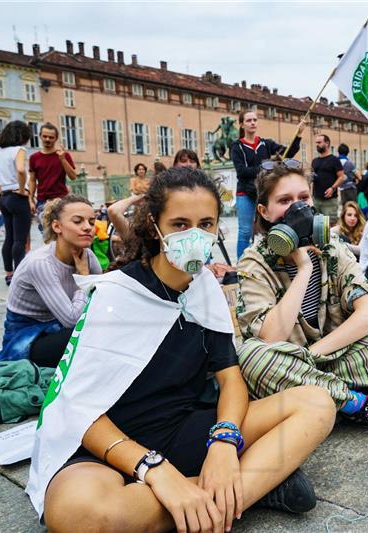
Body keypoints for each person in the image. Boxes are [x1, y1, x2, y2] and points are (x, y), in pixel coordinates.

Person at [30, 167, 336, 532]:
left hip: (183, 430)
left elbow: (231, 379)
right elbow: (78, 406)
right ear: (154, 226)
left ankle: (211, 497)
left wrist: (224, 440)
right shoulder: (116, 294)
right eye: (179, 224)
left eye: (206, 223)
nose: (195, 234)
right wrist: (153, 469)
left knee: (317, 403)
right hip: (107, 445)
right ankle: (251, 490)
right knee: (79, 517)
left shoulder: (205, 287)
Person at [236, 161, 368, 434]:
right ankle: (357, 403)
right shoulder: (253, 262)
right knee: (254, 358)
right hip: (286, 359)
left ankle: (323, 399)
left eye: (303, 198)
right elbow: (271, 337)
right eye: (285, 200)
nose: (297, 208)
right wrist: (304, 268)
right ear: (264, 211)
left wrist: (312, 358)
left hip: (313, 361)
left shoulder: (331, 246)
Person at [0, 194, 102, 367]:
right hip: (27, 336)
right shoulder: (40, 263)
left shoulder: (87, 255)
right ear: (57, 226)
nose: (87, 227)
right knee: (84, 336)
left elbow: (102, 297)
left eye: (92, 221)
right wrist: (85, 279)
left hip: (58, 328)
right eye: (78, 221)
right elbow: (71, 321)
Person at [231, 110, 305, 258]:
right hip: (245, 192)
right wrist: (266, 166)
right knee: (245, 231)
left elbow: (287, 153)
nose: (253, 123)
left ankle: (269, 261)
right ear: (241, 124)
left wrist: (298, 135)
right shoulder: (237, 146)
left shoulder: (266, 143)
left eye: (255, 120)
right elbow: (241, 171)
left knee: (269, 227)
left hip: (264, 192)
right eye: (249, 120)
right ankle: (240, 266)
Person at [0, 120, 33, 285]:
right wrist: (22, 189)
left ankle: (9, 273)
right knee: (20, 240)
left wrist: (0, 189)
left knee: (9, 237)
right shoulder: (19, 150)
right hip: (17, 197)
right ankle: (20, 275)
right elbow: (21, 170)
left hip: (5, 197)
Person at [29, 123, 78, 232]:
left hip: (62, 200)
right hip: (42, 201)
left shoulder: (64, 155)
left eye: (51, 137)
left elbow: (73, 176)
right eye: (45, 136)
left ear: (56, 139)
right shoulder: (34, 158)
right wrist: (30, 198)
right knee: (46, 233)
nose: (47, 139)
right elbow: (32, 180)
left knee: (64, 231)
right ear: (40, 136)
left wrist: (63, 159)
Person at [311, 134, 344, 220]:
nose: (317, 145)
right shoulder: (314, 161)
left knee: (330, 226)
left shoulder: (334, 160)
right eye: (316, 143)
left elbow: (341, 177)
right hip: (316, 199)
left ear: (327, 143)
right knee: (316, 226)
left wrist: (332, 188)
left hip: (330, 200)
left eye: (319, 142)